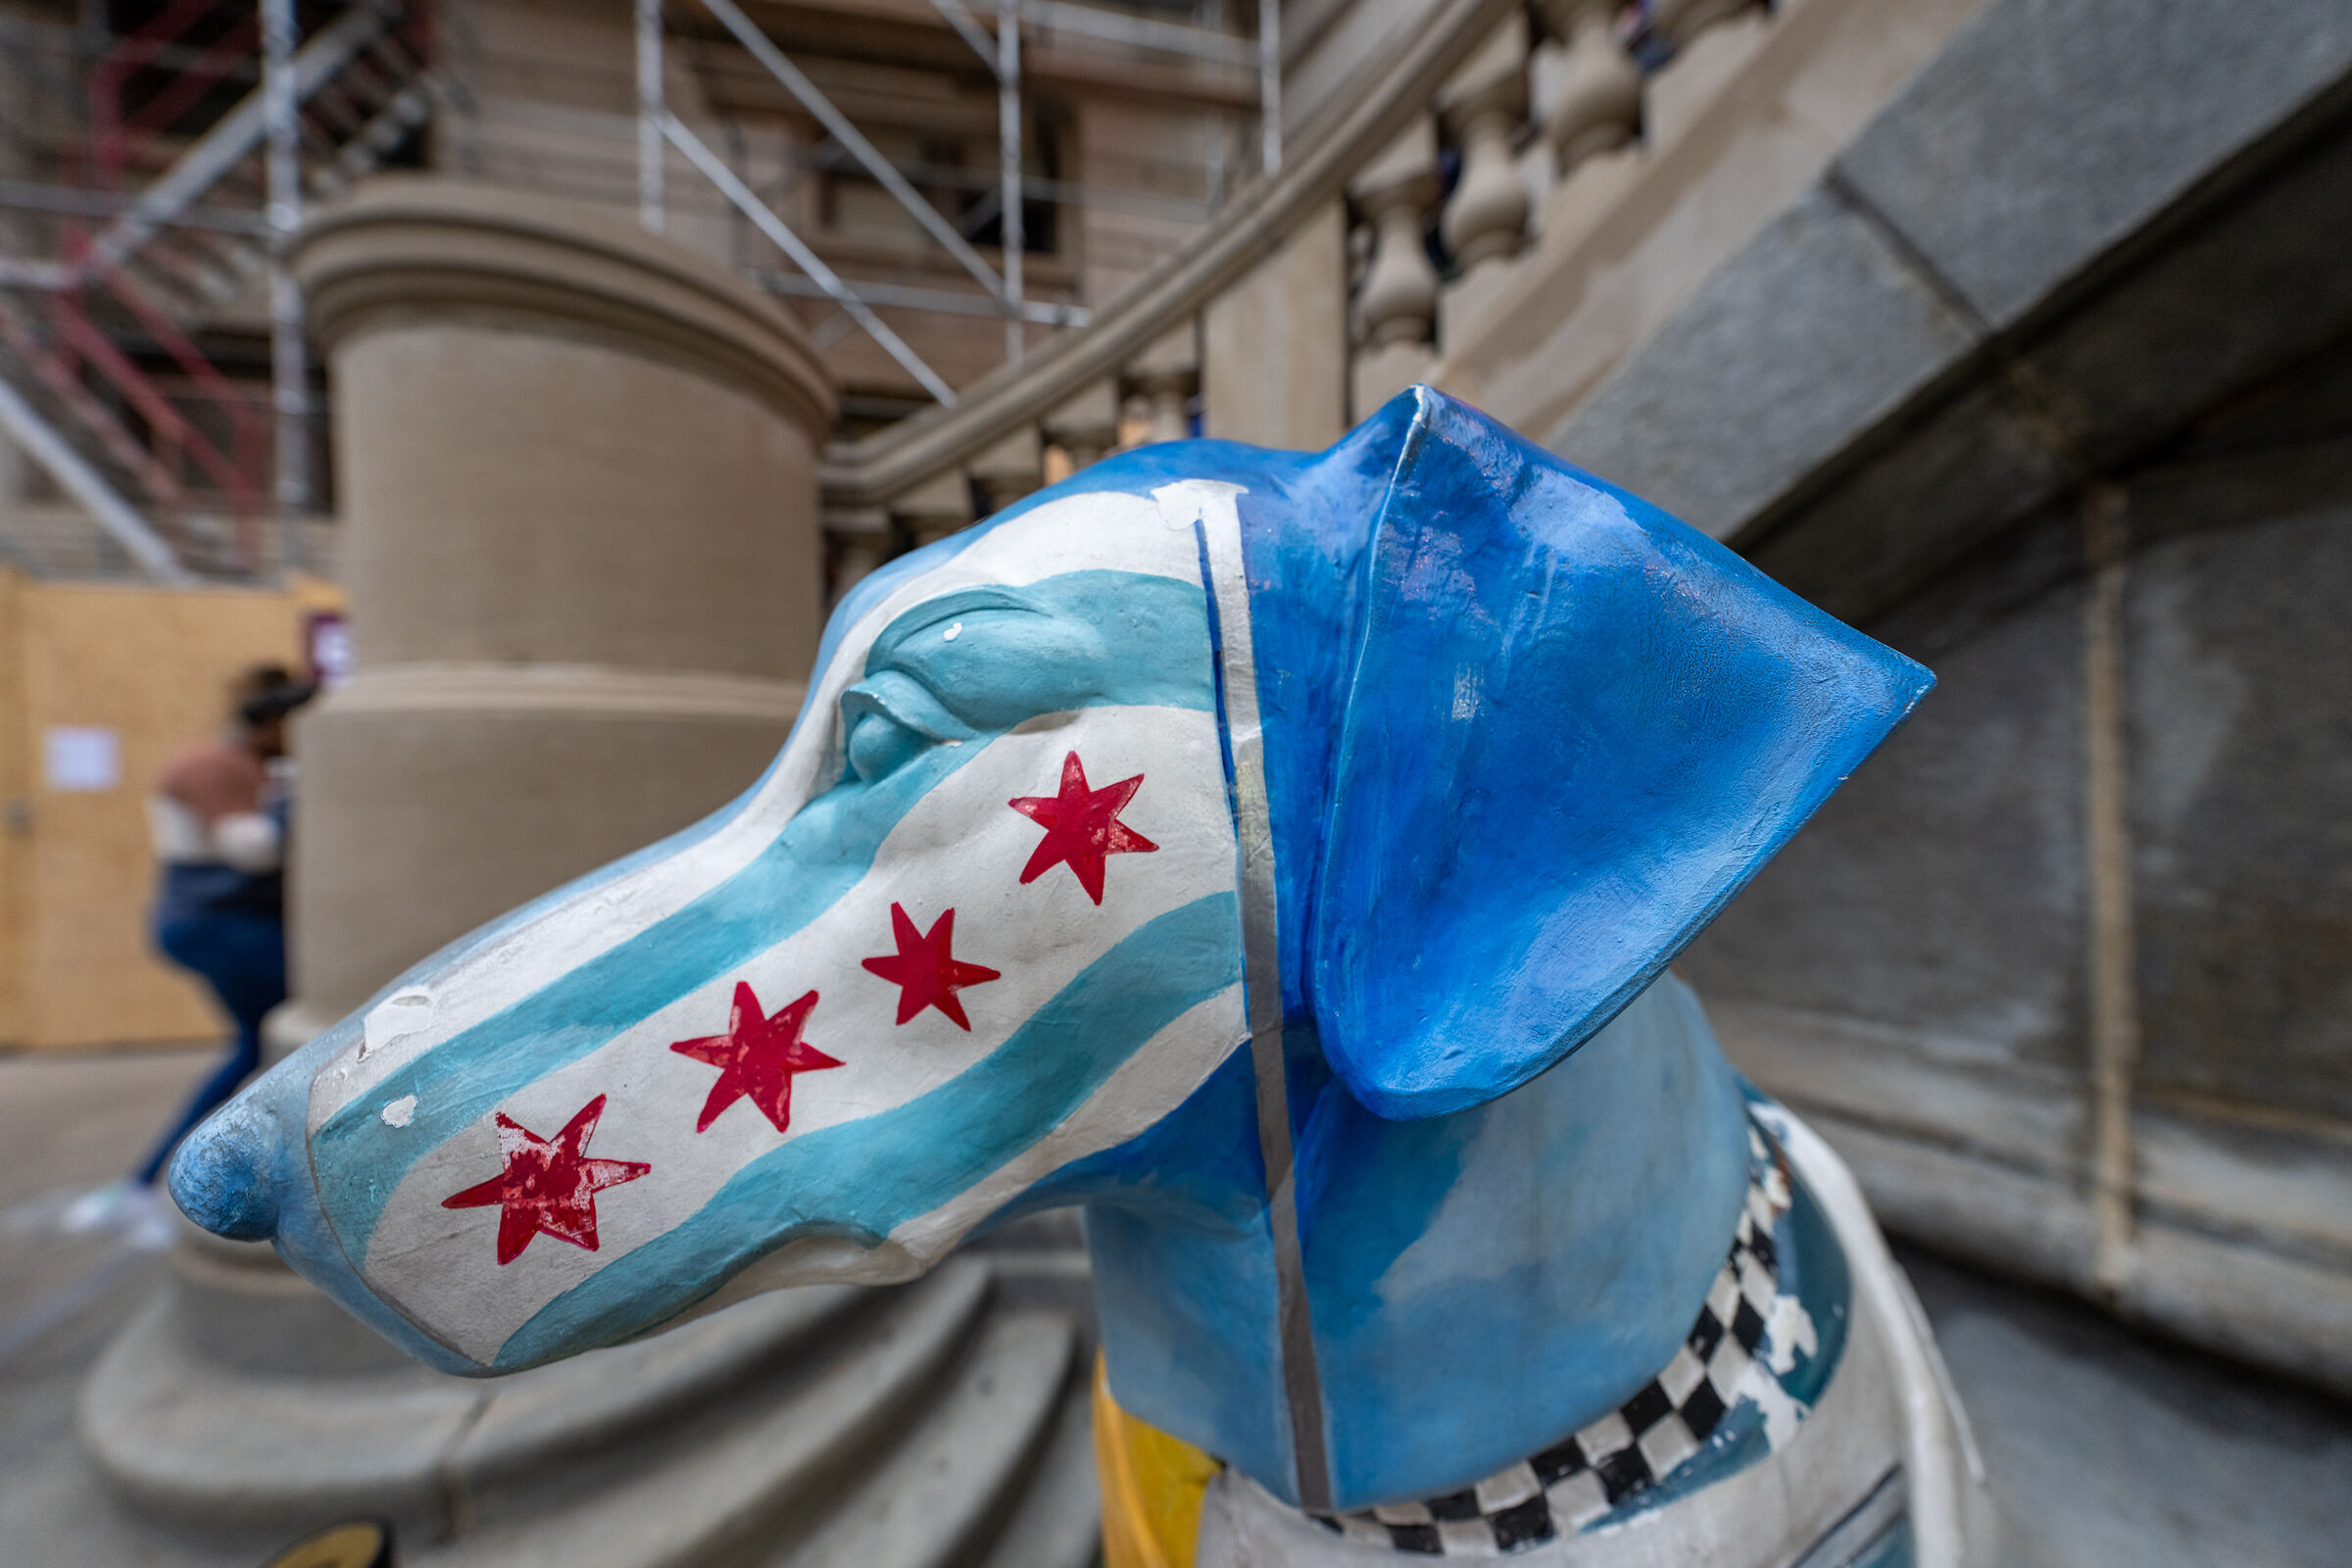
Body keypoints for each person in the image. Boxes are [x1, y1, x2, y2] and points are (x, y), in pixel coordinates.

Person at [62, 664, 314, 1241]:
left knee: (257, 1046)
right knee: (299, 1040)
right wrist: (295, 798)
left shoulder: (240, 763)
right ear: (276, 721)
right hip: (222, 924)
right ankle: (161, 1183)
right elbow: (253, 851)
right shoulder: (213, 765)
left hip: (228, 923)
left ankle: (146, 1182)